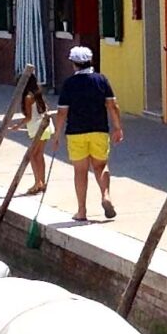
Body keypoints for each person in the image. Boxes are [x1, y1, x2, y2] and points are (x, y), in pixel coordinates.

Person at [55, 44, 122, 220]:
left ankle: (82, 211)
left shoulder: (69, 84)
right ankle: (106, 195)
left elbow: (62, 112)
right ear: (90, 61)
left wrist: (56, 134)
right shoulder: (101, 80)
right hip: (99, 130)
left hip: (76, 132)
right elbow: (112, 105)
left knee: (80, 171)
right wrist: (117, 127)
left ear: (74, 64)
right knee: (100, 166)